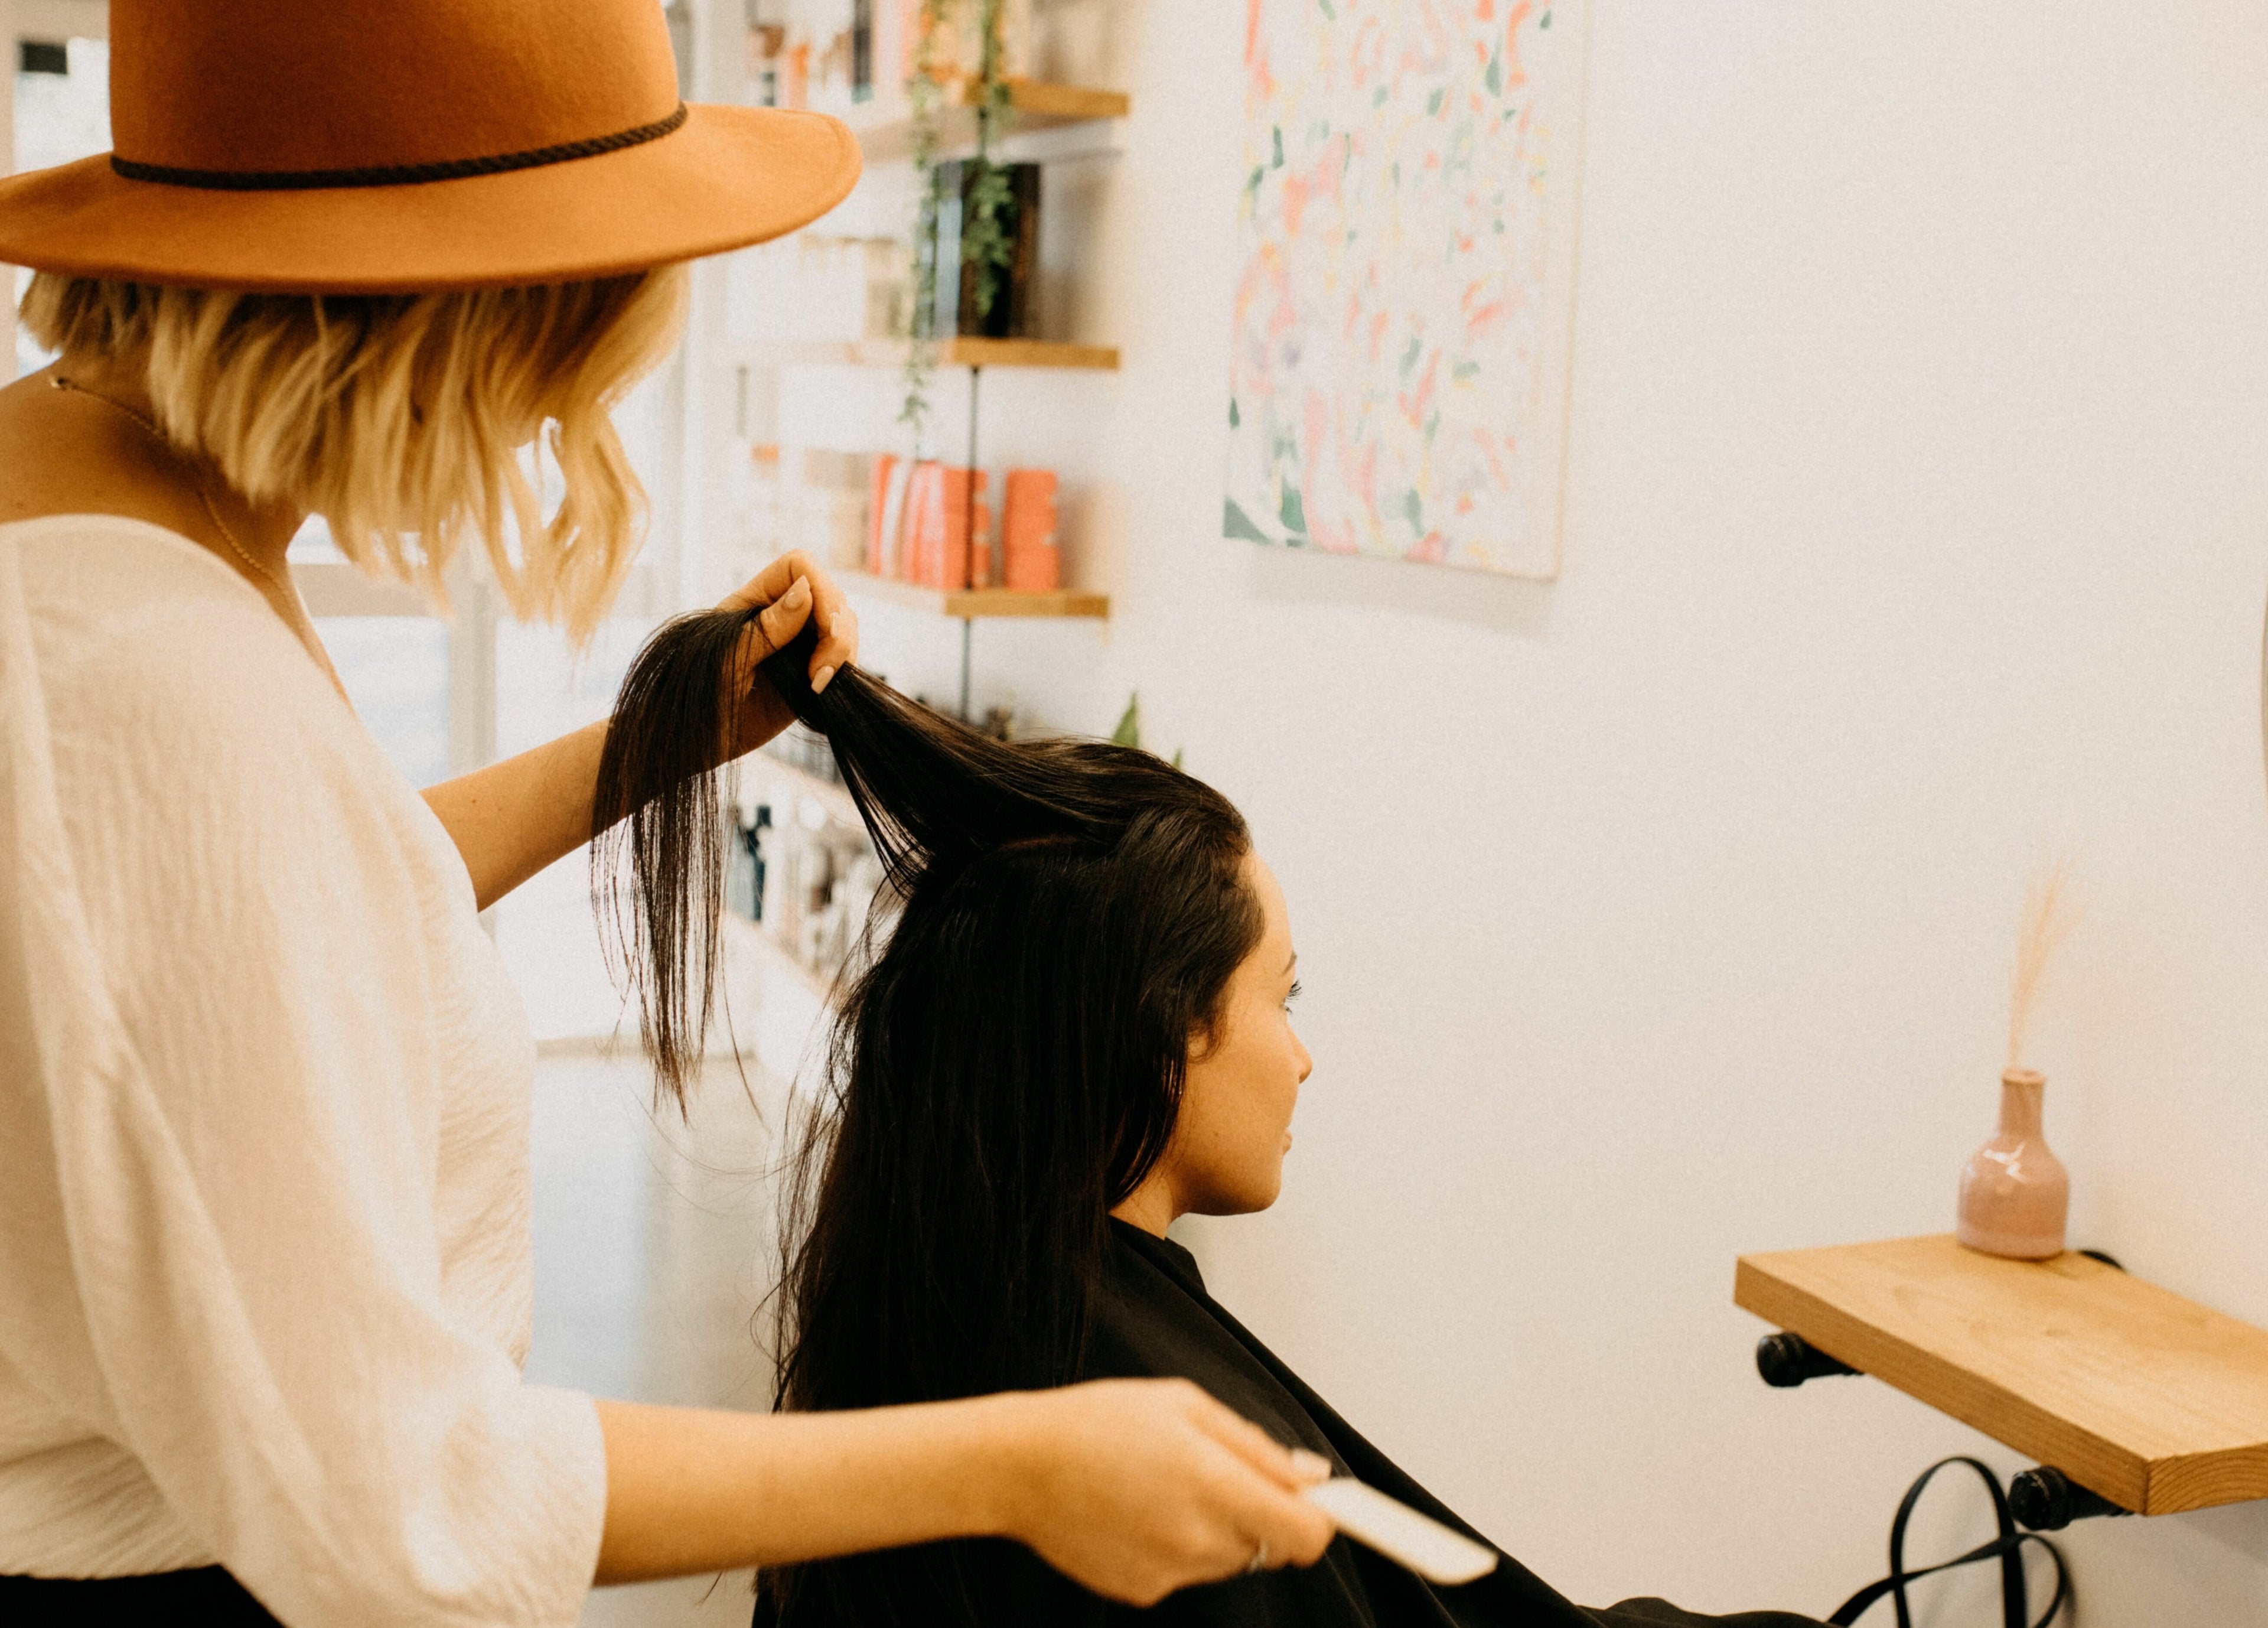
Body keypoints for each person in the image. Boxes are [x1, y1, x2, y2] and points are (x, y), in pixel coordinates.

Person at [0, 3, 1339, 1622]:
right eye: (561, 375)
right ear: (449, 322)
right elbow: (402, 1494)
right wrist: (1012, 1464)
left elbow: (295, 914)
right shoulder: (146, 668)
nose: (557, 436)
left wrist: (667, 740)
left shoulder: (116, 521)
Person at [595, 615, 1833, 1628]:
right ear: (1166, 1020)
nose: (1303, 1054)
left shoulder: (936, 1304)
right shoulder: (1122, 1448)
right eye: (1281, 996)